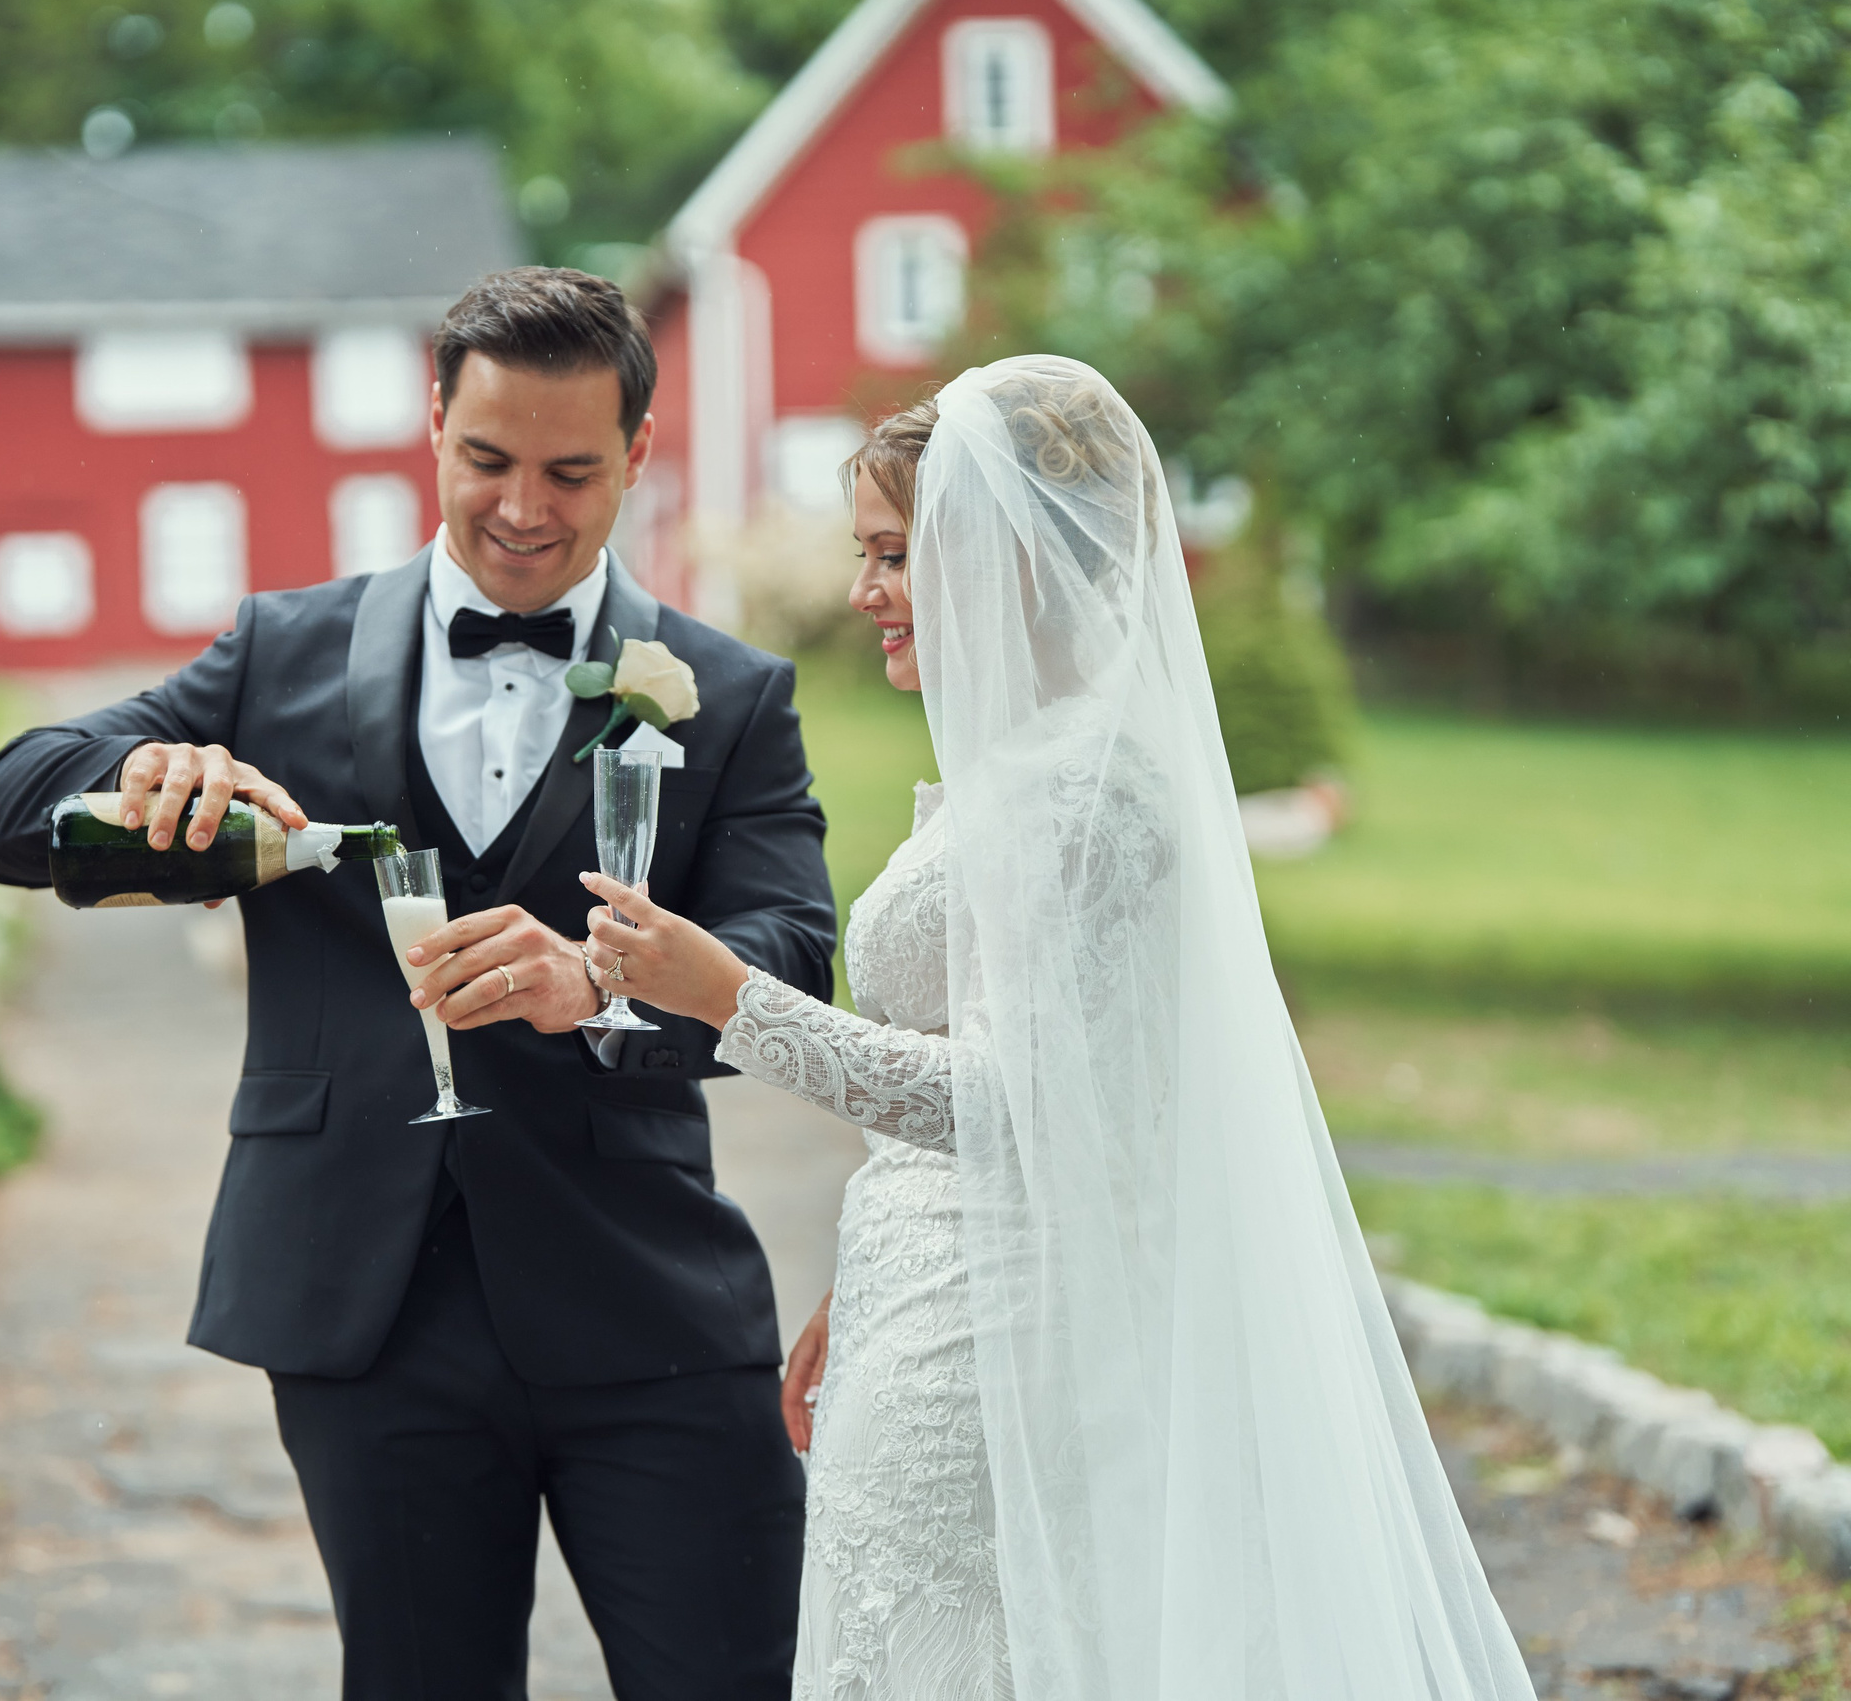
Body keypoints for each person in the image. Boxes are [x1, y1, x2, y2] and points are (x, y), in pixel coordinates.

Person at [583, 357, 1538, 1700]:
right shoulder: (1023, 774)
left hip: (1004, 1354)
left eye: (890, 557)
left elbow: (1018, 1104)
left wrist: (728, 997)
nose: (864, 595)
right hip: (932, 1309)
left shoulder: (1089, 797)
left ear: (1003, 555)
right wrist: (864, 1288)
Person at [0, 267, 838, 1699]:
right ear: (434, 424)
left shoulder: (726, 697)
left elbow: (796, 960)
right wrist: (137, 775)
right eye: (488, 460)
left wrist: (605, 981)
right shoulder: (278, 652)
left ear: (639, 455)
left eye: (572, 471)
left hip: (648, 1315)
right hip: (363, 1310)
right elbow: (1, 809)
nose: (524, 509)